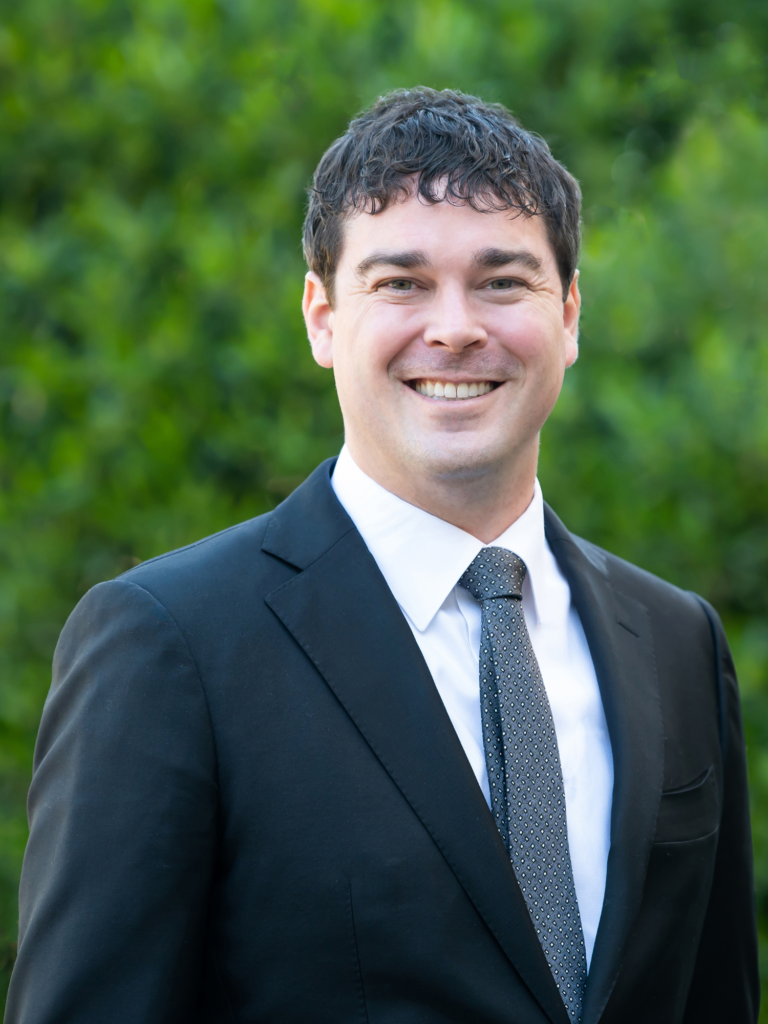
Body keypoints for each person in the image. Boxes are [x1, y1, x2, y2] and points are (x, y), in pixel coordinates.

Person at [6, 87, 758, 1024]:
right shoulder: (171, 646)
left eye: (502, 281)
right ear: (322, 317)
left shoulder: (677, 643)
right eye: (401, 282)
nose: (455, 327)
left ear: (568, 314)